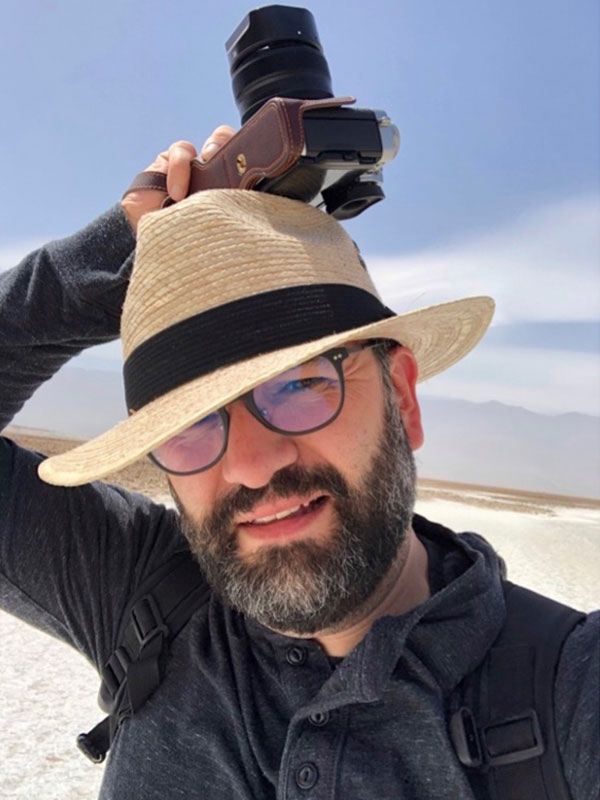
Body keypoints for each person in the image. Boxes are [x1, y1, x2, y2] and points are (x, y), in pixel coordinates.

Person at [0, 131, 597, 800]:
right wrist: (132, 253)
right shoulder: (141, 591)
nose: (253, 466)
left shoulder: (573, 691)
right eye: (189, 423)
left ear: (401, 397)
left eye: (301, 385)